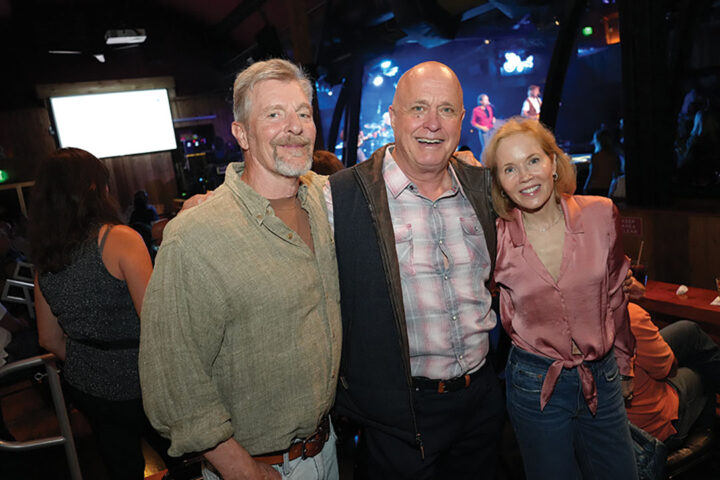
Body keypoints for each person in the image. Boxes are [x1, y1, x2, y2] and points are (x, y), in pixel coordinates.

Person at [139, 58, 341, 480]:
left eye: (303, 112)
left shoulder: (326, 201)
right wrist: (242, 471)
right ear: (241, 133)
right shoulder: (195, 236)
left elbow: (388, 181)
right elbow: (173, 381)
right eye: (274, 114)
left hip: (330, 447)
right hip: (258, 468)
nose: (295, 126)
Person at [326, 61, 504, 479]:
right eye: (418, 108)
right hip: (399, 416)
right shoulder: (341, 196)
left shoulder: (482, 189)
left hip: (481, 402)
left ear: (462, 120)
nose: (432, 123)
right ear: (392, 117)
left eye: (446, 110)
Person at [482, 117, 637, 479]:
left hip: (602, 375)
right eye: (509, 168)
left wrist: (626, 364)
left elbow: (616, 296)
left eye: (533, 161)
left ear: (553, 163)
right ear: (500, 183)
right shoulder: (495, 239)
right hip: (535, 384)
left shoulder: (600, 214)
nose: (525, 176)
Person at [29, 148, 156, 480]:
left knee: (122, 468)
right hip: (144, 383)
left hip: (88, 387)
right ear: (94, 189)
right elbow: (157, 322)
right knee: (189, 460)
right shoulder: (119, 239)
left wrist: (94, 362)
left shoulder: (45, 259)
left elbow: (48, 337)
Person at [625, 278, 720, 448]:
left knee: (688, 331)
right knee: (702, 369)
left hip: (603, 426)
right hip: (647, 432)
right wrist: (664, 357)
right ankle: (705, 439)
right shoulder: (628, 315)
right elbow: (667, 370)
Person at [583, 128, 622, 196]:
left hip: (594, 188)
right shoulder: (614, 156)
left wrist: (586, 187)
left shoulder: (596, 156)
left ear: (598, 141)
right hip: (607, 188)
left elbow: (592, 174)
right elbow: (616, 175)